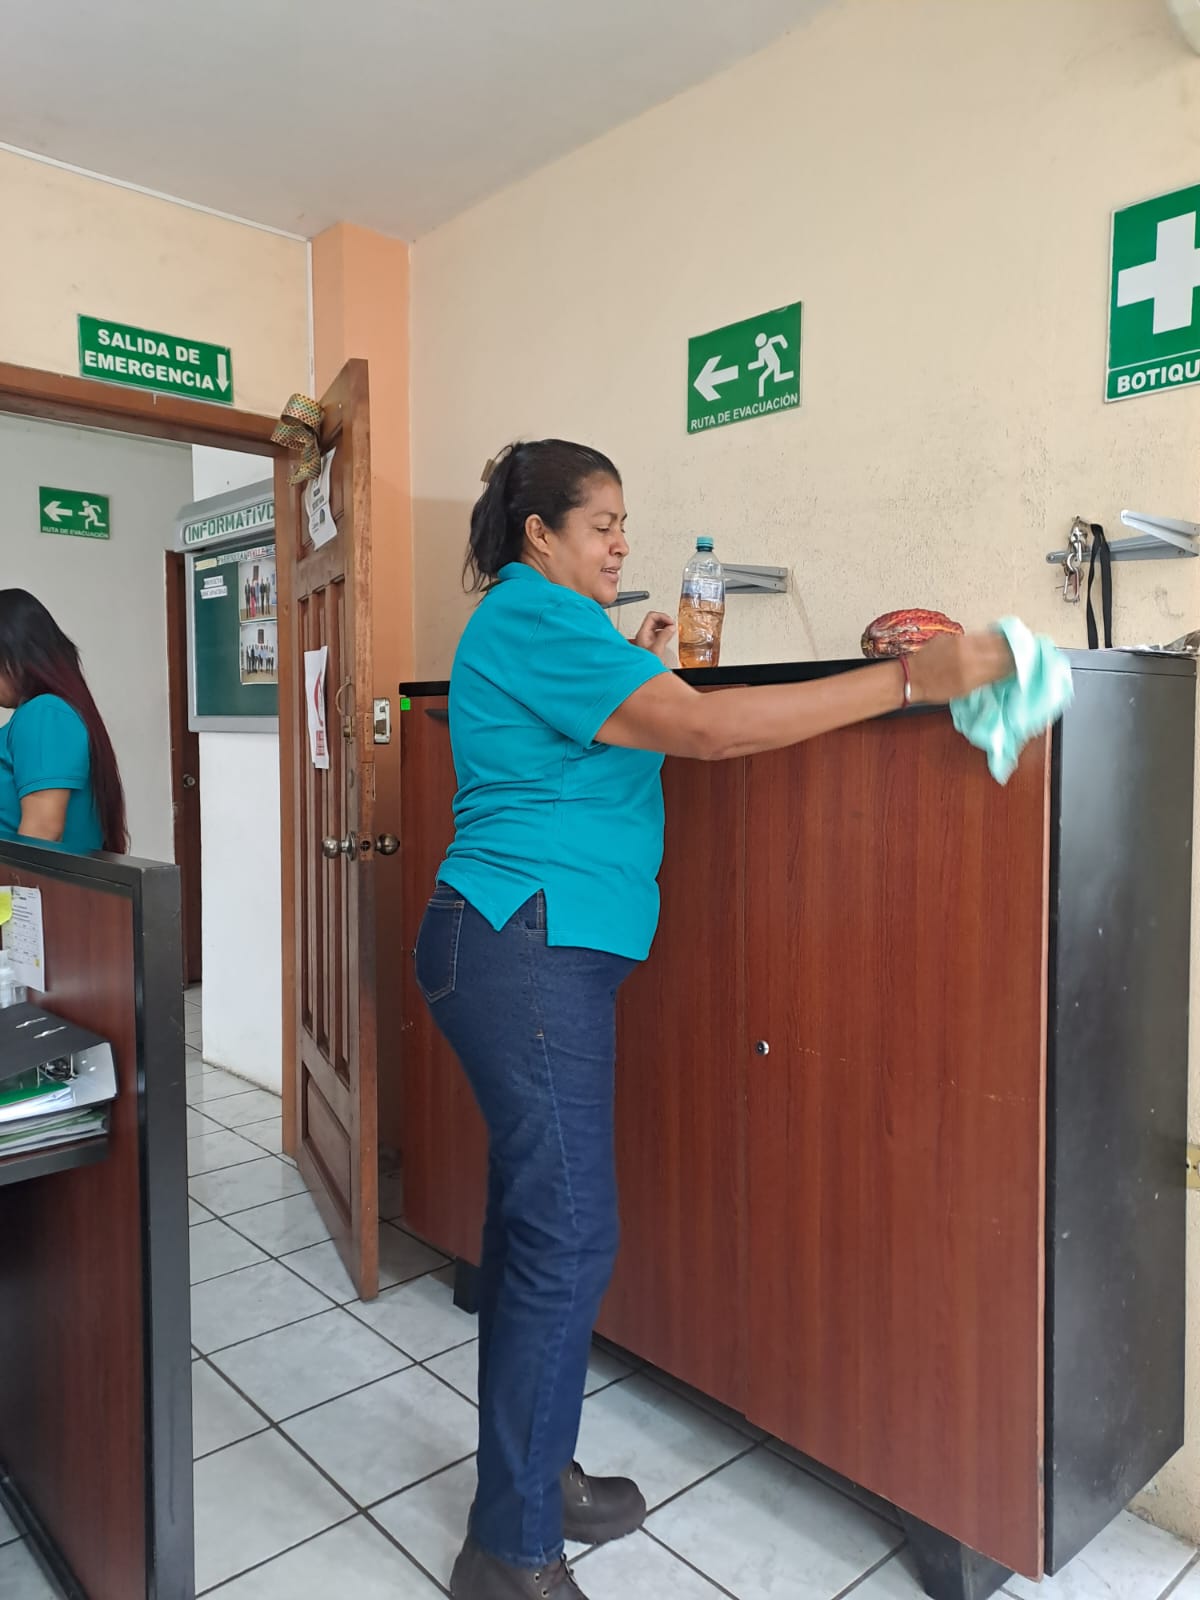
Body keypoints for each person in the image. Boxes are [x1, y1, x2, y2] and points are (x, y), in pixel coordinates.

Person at [415, 439, 1014, 1600]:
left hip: (520, 945)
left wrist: (636, 665)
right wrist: (910, 680)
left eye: (623, 525)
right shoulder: (532, 615)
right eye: (602, 524)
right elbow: (708, 733)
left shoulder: (556, 625)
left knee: (537, 1234)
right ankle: (509, 1551)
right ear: (540, 534)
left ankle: (532, 1481)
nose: (620, 543)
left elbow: (620, 735)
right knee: (567, 1237)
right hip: (520, 944)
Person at [0, 589, 128, 854]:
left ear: (17, 656)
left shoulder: (44, 713)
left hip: (30, 880)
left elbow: (43, 832)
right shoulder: (46, 713)